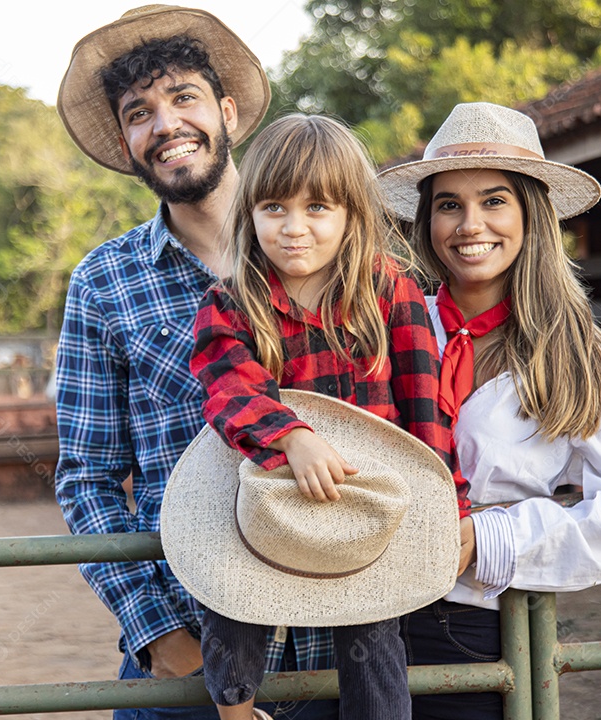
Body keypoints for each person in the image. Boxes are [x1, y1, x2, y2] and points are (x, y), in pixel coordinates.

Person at [53, 7, 337, 719]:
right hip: (191, 643)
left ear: (228, 113)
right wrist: (159, 637)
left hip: (345, 634)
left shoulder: (337, 248)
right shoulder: (105, 281)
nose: (166, 123)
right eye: (140, 112)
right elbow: (86, 479)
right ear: (127, 142)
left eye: (184, 97)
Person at [377, 102, 601, 720]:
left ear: (530, 215)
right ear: (426, 220)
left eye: (494, 201)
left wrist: (490, 535)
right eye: (448, 204)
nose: (469, 225)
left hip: (476, 629)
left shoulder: (574, 357)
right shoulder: (383, 329)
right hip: (355, 617)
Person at [184, 114, 460, 720]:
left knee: (374, 636)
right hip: (266, 494)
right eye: (274, 207)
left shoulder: (390, 292)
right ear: (250, 212)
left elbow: (425, 407)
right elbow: (228, 382)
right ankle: (235, 711)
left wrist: (443, 502)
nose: (294, 228)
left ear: (351, 215)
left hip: (363, 503)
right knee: (235, 599)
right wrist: (291, 438)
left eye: (319, 208)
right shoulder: (232, 299)